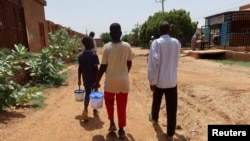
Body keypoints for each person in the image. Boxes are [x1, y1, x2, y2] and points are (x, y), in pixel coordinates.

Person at [93, 23, 134, 139]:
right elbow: (129, 62)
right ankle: (121, 130)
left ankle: (111, 123)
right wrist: (125, 73)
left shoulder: (106, 47)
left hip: (110, 82)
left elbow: (103, 67)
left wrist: (97, 81)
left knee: (109, 103)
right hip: (123, 82)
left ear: (110, 34)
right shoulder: (127, 46)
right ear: (121, 33)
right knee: (122, 106)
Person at [147, 21, 181, 141]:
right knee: (172, 108)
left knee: (156, 101)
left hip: (159, 81)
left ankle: (154, 118)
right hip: (172, 81)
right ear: (169, 30)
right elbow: (176, 60)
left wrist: (152, 81)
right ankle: (170, 134)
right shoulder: (177, 43)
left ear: (159, 31)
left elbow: (153, 63)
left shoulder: (156, 43)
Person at [78, 36, 100, 121]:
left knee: (87, 93)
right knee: (95, 95)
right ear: (88, 44)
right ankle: (95, 110)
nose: (93, 44)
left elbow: (79, 68)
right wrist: (97, 81)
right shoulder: (94, 55)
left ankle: (85, 110)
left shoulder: (80, 55)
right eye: (91, 42)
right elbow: (96, 70)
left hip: (86, 79)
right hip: (94, 79)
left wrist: (79, 79)